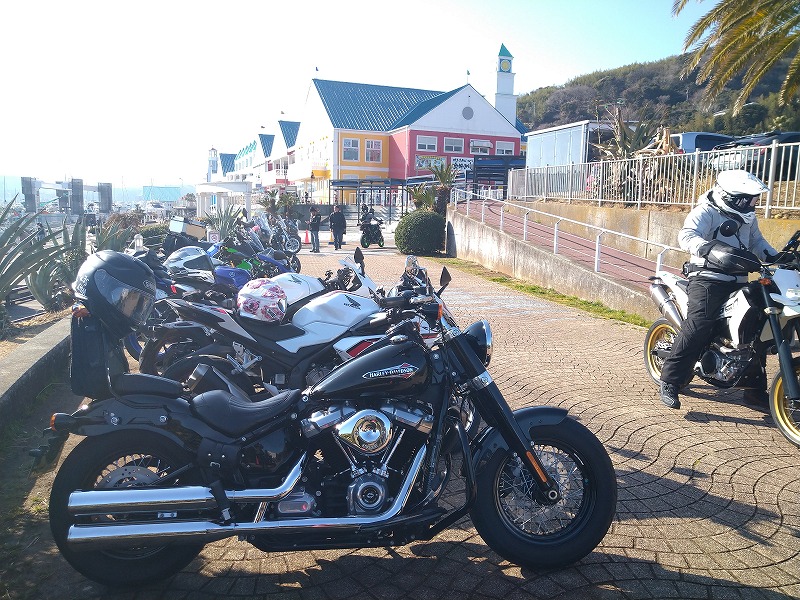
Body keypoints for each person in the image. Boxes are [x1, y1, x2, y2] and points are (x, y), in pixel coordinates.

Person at [659, 169, 779, 410]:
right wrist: (707, 248)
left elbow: (757, 243)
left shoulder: (749, 217)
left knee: (757, 329)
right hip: (708, 279)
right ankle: (671, 380)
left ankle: (754, 392)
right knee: (699, 324)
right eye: (750, 198)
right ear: (735, 198)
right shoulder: (707, 210)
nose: (754, 203)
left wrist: (778, 257)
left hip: (738, 279)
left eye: (755, 198)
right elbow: (686, 235)